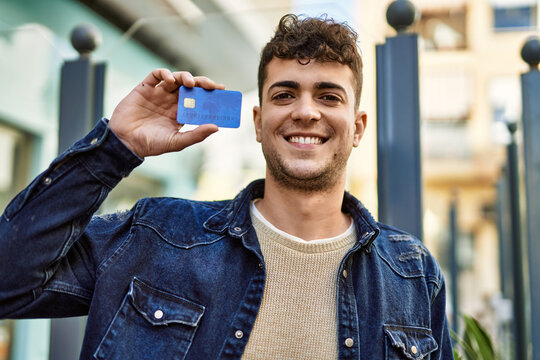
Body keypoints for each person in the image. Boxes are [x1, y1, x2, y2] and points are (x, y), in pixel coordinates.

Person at [0, 14, 453, 359]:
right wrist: (116, 147)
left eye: (329, 96)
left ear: (357, 127)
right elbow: (8, 281)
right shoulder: (157, 235)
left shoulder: (413, 276)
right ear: (259, 123)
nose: (306, 112)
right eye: (284, 94)